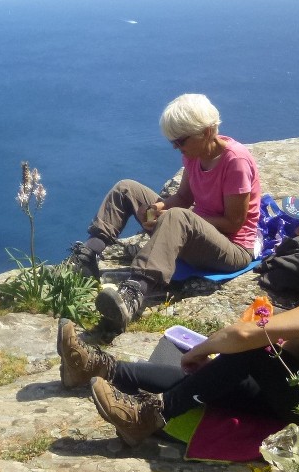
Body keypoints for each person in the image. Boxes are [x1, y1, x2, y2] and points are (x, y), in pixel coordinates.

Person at [58, 180, 299, 446]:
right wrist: (232, 366)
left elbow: (246, 335)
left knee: (250, 348)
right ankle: (100, 369)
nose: (298, 231)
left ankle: (149, 415)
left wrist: (205, 350)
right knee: (234, 368)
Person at [74, 93, 261, 334]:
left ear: (205, 132)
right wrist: (160, 207)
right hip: (198, 233)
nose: (176, 147)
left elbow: (234, 223)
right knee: (126, 188)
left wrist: (175, 219)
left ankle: (135, 293)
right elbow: (184, 198)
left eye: (181, 140)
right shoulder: (194, 155)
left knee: (178, 217)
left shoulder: (235, 161)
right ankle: (88, 255)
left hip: (232, 248)